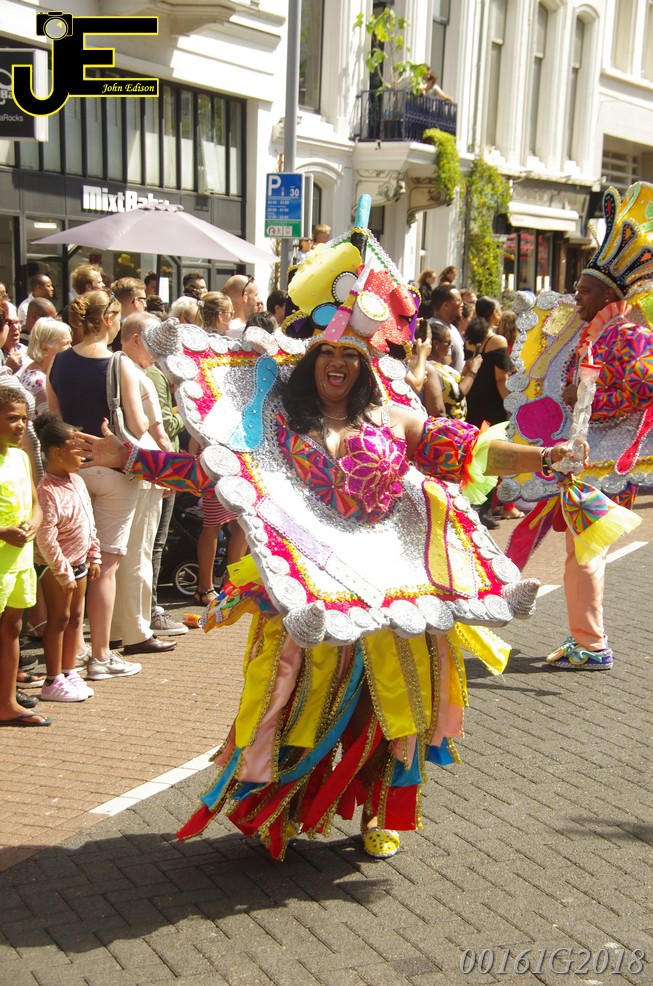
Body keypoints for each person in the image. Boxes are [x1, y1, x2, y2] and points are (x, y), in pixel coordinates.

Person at [76, 217, 574, 862]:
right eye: (326, 355)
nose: (337, 364)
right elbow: (212, 474)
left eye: (350, 357)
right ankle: (281, 805)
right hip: (308, 587)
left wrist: (542, 459)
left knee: (394, 706)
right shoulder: (276, 421)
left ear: (367, 366)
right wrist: (128, 457)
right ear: (309, 360)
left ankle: (381, 809)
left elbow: (471, 450)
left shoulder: (394, 417)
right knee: (294, 700)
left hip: (392, 582)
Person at [47, 289, 145, 681]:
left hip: (74, 468)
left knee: (74, 562)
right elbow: (137, 424)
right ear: (108, 320)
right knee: (106, 565)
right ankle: (101, 656)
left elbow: (55, 419)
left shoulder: (58, 362)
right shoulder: (119, 363)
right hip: (114, 470)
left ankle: (74, 650)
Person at [108, 314, 178, 655]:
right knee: (138, 552)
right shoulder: (136, 373)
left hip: (118, 466)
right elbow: (151, 430)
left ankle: (116, 629)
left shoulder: (112, 366)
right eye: (154, 341)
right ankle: (136, 631)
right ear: (137, 338)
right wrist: (171, 471)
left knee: (119, 553)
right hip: (143, 468)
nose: (158, 350)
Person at [33, 413, 100, 703]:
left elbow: (89, 520)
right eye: (78, 450)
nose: (84, 455)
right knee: (58, 619)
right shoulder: (46, 491)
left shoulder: (78, 482)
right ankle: (52, 680)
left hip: (80, 564)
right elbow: (45, 538)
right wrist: (63, 572)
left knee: (75, 619)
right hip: (56, 569)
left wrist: (94, 555)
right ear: (58, 453)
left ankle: (69, 671)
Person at [0, 384, 47, 726]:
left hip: (19, 561)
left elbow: (36, 503)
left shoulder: (21, 457)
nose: (20, 426)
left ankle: (7, 702)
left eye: (24, 419)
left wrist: (34, 522)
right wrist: (3, 532)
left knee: (13, 628)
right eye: (12, 418)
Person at [16, 318, 72, 416]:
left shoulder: (35, 370)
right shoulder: (39, 383)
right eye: (66, 343)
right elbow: (53, 422)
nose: (71, 348)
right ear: (45, 349)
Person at [427, 321, 482, 420]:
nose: (450, 346)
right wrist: (473, 371)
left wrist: (465, 371)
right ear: (436, 343)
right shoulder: (434, 369)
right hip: (448, 424)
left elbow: (455, 384)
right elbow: (457, 394)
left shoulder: (440, 366)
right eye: (448, 342)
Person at [429, 284, 465, 372]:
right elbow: (446, 369)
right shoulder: (437, 330)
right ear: (446, 305)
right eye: (459, 301)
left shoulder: (452, 328)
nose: (462, 304)